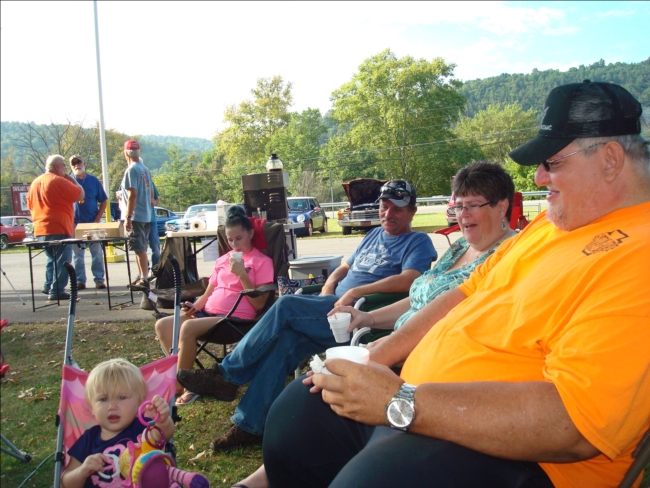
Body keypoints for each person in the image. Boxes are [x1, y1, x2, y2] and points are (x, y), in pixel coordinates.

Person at [261, 81, 650, 488]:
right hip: (423, 404)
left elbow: (573, 425)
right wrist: (373, 357)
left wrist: (399, 401)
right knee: (298, 420)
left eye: (552, 163)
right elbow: (465, 292)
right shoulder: (550, 225)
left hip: (520, 454)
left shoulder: (638, 255)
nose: (538, 176)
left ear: (610, 159)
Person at [234, 161, 518, 488]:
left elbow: (451, 316)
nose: (463, 215)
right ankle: (258, 471)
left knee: (292, 324)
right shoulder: (459, 248)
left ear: (501, 207)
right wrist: (367, 318)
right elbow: (419, 297)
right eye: (458, 206)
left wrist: (378, 347)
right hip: (390, 342)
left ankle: (232, 380)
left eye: (473, 206)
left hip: (421, 366)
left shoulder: (509, 256)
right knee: (297, 371)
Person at [177, 179, 437, 450]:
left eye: (397, 209)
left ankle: (227, 375)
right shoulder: (373, 235)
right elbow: (345, 267)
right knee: (285, 342)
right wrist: (329, 284)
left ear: (412, 212)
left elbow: (411, 279)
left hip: (361, 316)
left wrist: (355, 292)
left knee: (286, 305)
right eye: (384, 206)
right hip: (332, 305)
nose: (388, 213)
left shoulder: (417, 241)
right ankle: (250, 425)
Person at [155, 206, 275, 405]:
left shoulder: (262, 262)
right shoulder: (222, 260)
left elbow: (259, 304)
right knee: (163, 325)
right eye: (230, 240)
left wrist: (242, 274)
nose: (234, 244)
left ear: (251, 234)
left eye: (239, 238)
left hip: (235, 320)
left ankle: (181, 386)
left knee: (188, 327)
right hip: (207, 315)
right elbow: (208, 292)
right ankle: (189, 378)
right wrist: (195, 306)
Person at [60, 358, 174, 488]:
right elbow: (65, 483)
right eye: (103, 399)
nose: (112, 406)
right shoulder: (88, 440)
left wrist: (163, 421)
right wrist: (82, 471)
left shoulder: (141, 427)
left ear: (139, 402)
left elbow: (164, 434)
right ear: (91, 407)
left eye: (121, 397)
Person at [27, 154, 84, 300]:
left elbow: (29, 205)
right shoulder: (58, 180)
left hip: (41, 228)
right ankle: (57, 291)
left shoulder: (35, 182)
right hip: (59, 227)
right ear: (57, 166)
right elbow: (80, 195)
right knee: (63, 261)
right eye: (64, 165)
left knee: (52, 258)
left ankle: (48, 286)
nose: (65, 168)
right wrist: (72, 179)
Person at [69, 155, 108, 290]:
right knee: (77, 255)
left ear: (84, 163)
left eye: (78, 162)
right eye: (73, 163)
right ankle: (80, 281)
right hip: (75, 224)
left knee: (96, 253)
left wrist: (97, 219)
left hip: (92, 223)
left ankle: (99, 280)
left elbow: (104, 201)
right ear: (70, 166)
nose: (76, 165)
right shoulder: (67, 181)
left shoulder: (93, 180)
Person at [121, 140, 153, 286]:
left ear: (126, 153)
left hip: (136, 215)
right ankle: (141, 276)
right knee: (139, 247)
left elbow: (132, 194)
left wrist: (128, 217)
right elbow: (150, 192)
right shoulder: (145, 169)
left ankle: (144, 278)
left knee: (139, 248)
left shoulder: (131, 170)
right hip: (146, 214)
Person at [148, 179, 161, 272]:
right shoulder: (130, 180)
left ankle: (156, 269)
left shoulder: (149, 182)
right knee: (141, 249)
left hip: (151, 220)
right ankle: (144, 271)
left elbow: (157, 200)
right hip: (138, 220)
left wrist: (154, 202)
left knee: (155, 245)